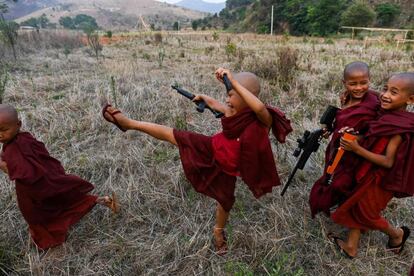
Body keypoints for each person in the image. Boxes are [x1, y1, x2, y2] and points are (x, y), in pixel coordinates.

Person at [102, 68, 292, 255]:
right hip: (212, 147)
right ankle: (129, 123)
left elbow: (257, 106)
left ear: (246, 95)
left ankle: (218, 230)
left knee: (225, 202)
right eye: (227, 95)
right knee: (173, 135)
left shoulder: (262, 119)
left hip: (229, 169)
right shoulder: (230, 109)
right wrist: (203, 98)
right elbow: (214, 103)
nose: (227, 99)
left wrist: (233, 81)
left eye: (231, 94)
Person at [0, 104, 119, 250]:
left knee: (36, 214)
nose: (0, 135)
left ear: (18, 124)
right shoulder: (25, 137)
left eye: (4, 130)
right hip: (45, 180)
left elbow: (12, 169)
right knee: (60, 202)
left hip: (32, 189)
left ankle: (50, 240)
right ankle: (101, 200)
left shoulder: (14, 148)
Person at [328, 72, 414, 258]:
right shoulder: (386, 113)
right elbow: (371, 136)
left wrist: (357, 149)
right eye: (385, 89)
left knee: (367, 213)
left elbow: (387, 161)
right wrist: (356, 93)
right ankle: (351, 246)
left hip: (381, 179)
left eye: (393, 92)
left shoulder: (399, 127)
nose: (385, 95)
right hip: (368, 170)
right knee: (355, 203)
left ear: (410, 99)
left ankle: (397, 235)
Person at [309, 61, 380, 217]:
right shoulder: (346, 99)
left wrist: (357, 138)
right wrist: (331, 130)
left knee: (345, 183)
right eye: (353, 84)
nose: (358, 88)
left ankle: (349, 213)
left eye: (364, 83)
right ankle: (340, 209)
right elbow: (342, 123)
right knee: (331, 177)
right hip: (336, 149)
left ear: (370, 80)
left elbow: (373, 132)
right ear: (344, 83)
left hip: (355, 153)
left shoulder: (374, 104)